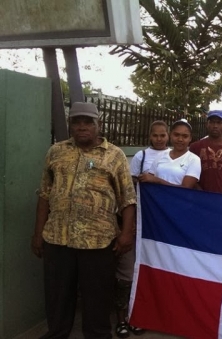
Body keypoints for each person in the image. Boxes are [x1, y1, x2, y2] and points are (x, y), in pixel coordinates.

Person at [32, 102, 137, 339]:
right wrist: (38, 234)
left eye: (87, 122)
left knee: (97, 299)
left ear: (98, 124)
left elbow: (128, 199)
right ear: (70, 124)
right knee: (57, 297)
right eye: (76, 122)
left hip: (98, 242)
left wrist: (126, 234)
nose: (81, 127)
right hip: (57, 238)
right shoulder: (56, 152)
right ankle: (57, 333)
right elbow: (45, 194)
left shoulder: (115, 155)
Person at [115, 120, 170, 338]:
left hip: (160, 222)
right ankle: (122, 318)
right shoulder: (141, 156)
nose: (159, 139)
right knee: (127, 270)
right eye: (155, 135)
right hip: (138, 218)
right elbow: (131, 186)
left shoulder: (172, 157)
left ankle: (141, 315)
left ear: (168, 136)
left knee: (151, 270)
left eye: (162, 135)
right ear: (150, 136)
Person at [189, 110, 222, 193]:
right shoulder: (195, 147)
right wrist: (203, 196)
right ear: (207, 125)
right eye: (212, 122)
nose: (215, 126)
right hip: (199, 200)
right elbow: (190, 177)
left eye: (219, 122)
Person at [139, 119, 201, 188]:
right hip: (156, 198)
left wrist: (157, 180)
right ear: (170, 135)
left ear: (190, 138)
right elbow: (149, 179)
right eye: (176, 135)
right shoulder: (161, 155)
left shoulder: (194, 160)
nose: (180, 139)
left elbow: (185, 189)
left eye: (185, 136)